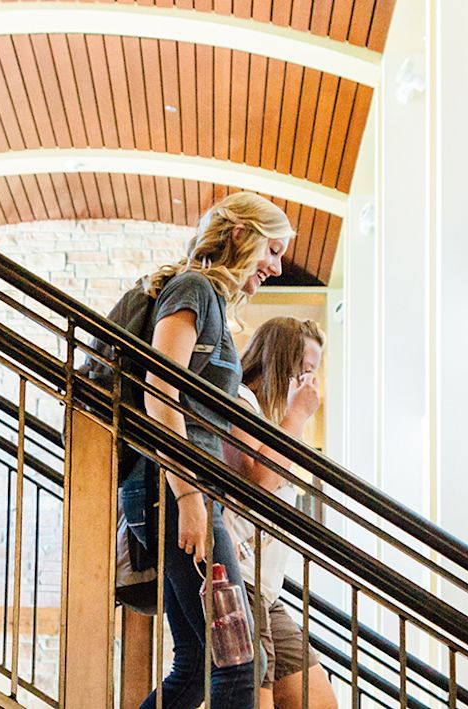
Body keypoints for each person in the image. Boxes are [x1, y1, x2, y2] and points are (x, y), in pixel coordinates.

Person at [121, 192, 294, 709]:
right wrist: (189, 500)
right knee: (238, 662)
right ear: (240, 234)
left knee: (198, 663)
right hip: (173, 489)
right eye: (272, 250)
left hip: (186, 490)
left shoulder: (212, 301)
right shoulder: (192, 289)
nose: (276, 267)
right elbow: (160, 389)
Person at [225, 317, 338, 709]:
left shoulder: (275, 420)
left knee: (319, 700)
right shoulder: (240, 400)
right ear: (279, 361)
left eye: (314, 373)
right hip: (239, 576)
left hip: (266, 587)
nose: (310, 383)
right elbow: (258, 478)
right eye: (305, 370)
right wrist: (298, 416)